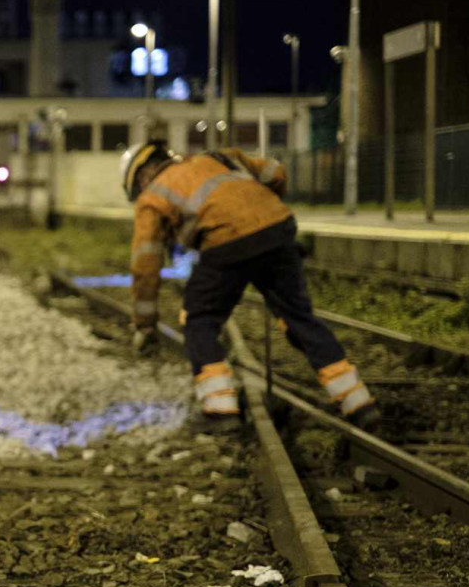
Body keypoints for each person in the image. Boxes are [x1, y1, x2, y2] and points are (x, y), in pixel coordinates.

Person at [121, 140, 378, 430]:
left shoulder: (151, 198)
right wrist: (260, 210)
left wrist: (144, 323)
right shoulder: (220, 157)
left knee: (199, 319)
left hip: (225, 243)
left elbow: (145, 266)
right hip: (278, 230)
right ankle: (357, 402)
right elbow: (275, 171)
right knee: (298, 317)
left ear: (141, 176)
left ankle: (220, 410)